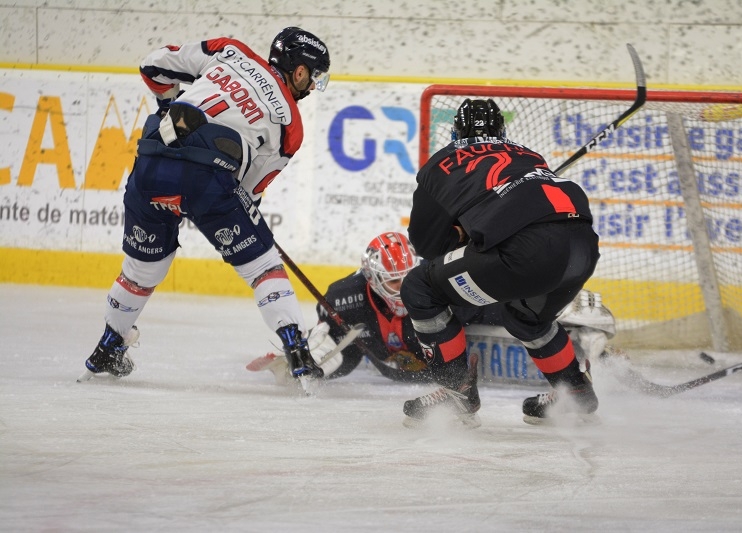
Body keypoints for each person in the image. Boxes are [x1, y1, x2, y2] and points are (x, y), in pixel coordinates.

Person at [78, 28, 332, 391]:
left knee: (141, 269)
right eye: (314, 79)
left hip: (151, 160)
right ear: (301, 72)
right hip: (208, 178)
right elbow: (248, 191)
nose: (310, 89)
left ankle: (108, 347)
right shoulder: (290, 125)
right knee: (262, 265)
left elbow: (152, 67)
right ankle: (299, 356)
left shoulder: (229, 50)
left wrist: (171, 110)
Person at [400, 98, 601, 427]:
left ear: (455, 131)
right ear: (503, 131)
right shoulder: (528, 155)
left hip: (529, 252)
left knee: (419, 287)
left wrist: (464, 239)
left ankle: (457, 394)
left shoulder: (442, 163)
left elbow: (426, 244)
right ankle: (575, 393)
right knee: (525, 317)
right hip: (583, 248)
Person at [246, 232, 616, 400]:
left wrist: (564, 310)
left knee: (507, 309)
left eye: (407, 277)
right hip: (418, 373)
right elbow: (344, 351)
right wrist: (307, 364)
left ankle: (575, 334)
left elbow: (505, 300)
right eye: (393, 282)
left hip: (453, 366)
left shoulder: (436, 287)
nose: (402, 287)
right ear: (372, 280)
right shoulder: (347, 299)